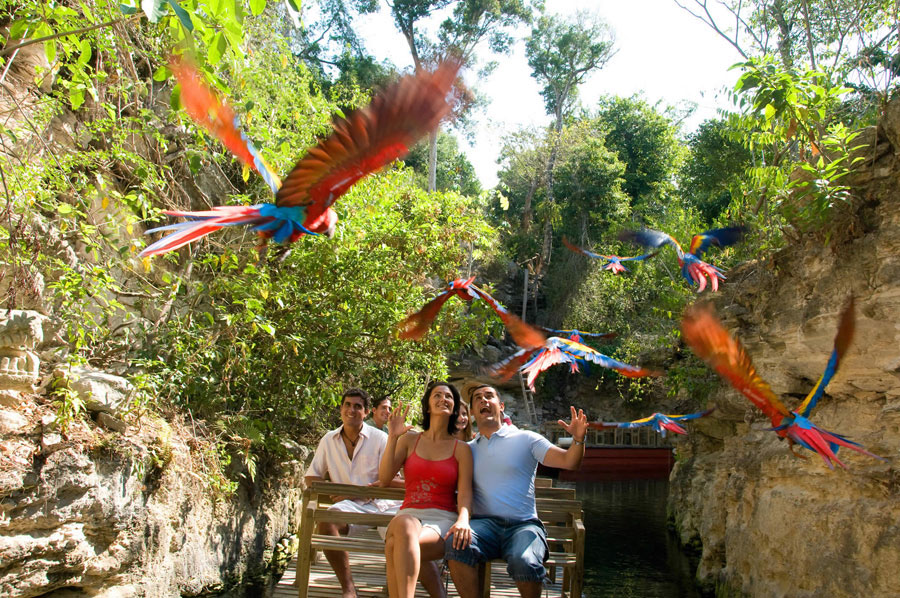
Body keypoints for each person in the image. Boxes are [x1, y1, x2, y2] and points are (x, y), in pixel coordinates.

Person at [445, 384, 587, 598]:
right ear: (472, 412)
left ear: (500, 406)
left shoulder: (526, 439)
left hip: (523, 525)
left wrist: (578, 440)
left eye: (489, 396)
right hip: (484, 526)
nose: (484, 400)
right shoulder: (468, 449)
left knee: (525, 561)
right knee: (455, 545)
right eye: (478, 399)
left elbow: (570, 461)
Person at [304, 388, 443, 598]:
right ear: (341, 409)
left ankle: (439, 595)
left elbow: (395, 480)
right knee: (326, 523)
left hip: (385, 502)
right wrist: (336, 491)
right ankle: (348, 589)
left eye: (358, 406)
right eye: (347, 405)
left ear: (367, 412)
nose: (351, 410)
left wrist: (361, 492)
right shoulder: (328, 440)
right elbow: (311, 476)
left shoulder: (380, 438)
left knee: (409, 538)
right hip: (352, 505)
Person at [379, 382, 474, 598]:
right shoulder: (409, 440)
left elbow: (466, 492)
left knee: (396, 545)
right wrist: (392, 437)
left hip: (442, 520)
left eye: (449, 397)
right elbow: (384, 479)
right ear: (428, 406)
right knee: (404, 526)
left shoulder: (462, 450)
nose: (443, 399)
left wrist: (464, 519)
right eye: (437, 395)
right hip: (408, 514)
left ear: (454, 407)